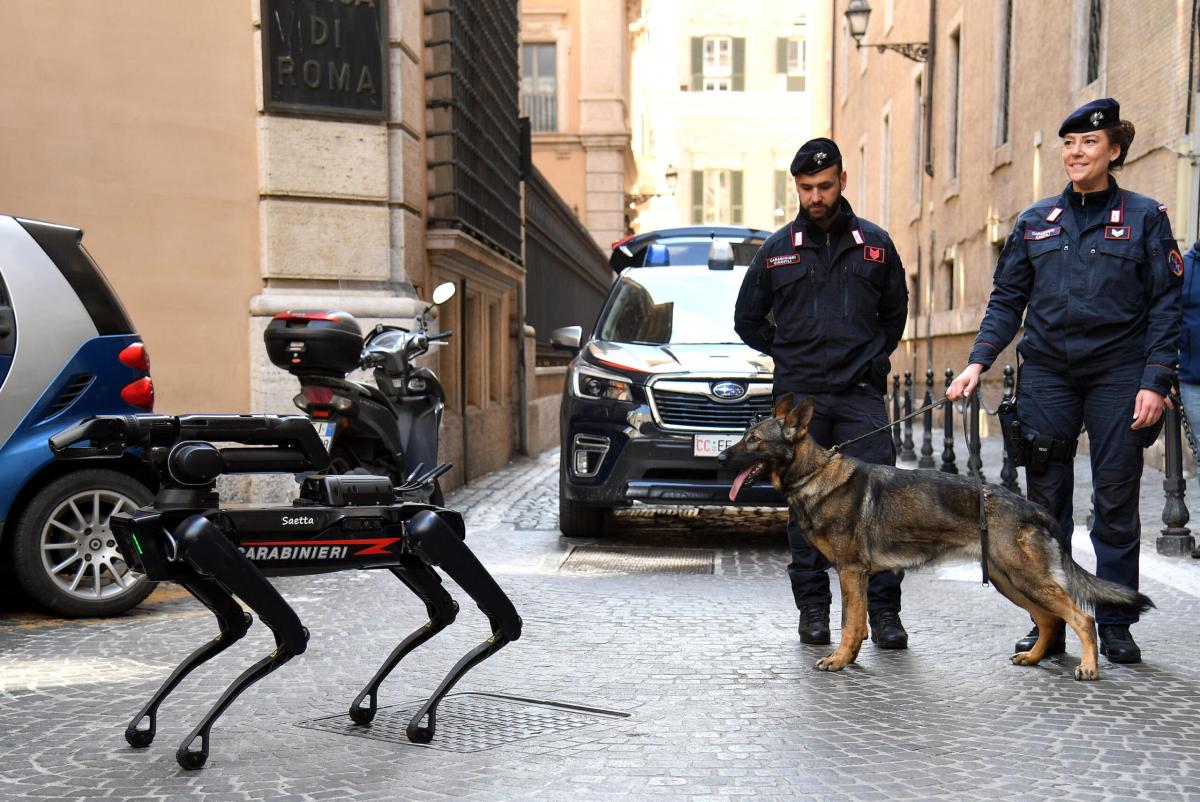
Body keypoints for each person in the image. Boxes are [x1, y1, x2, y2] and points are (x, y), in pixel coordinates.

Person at [947, 98, 1181, 664]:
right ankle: (1048, 618)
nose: (1076, 153)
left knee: (1117, 501)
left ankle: (1117, 622)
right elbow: (1007, 300)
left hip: (1119, 375)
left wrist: (1154, 380)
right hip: (1048, 375)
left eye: (1090, 143)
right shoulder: (1034, 222)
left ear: (1115, 151)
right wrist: (978, 360)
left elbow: (1167, 305)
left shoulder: (1146, 217)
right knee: (1044, 506)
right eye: (1070, 144)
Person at [734, 137, 910, 649]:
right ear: (797, 188)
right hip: (798, 404)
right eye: (807, 188)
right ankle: (813, 609)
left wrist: (873, 361)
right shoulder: (776, 252)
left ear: (842, 182)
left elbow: (893, 315)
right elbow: (747, 318)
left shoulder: (875, 246)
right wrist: (788, 353)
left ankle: (885, 613)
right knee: (805, 507)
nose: (816, 196)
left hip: (858, 397)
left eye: (824, 186)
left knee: (879, 501)